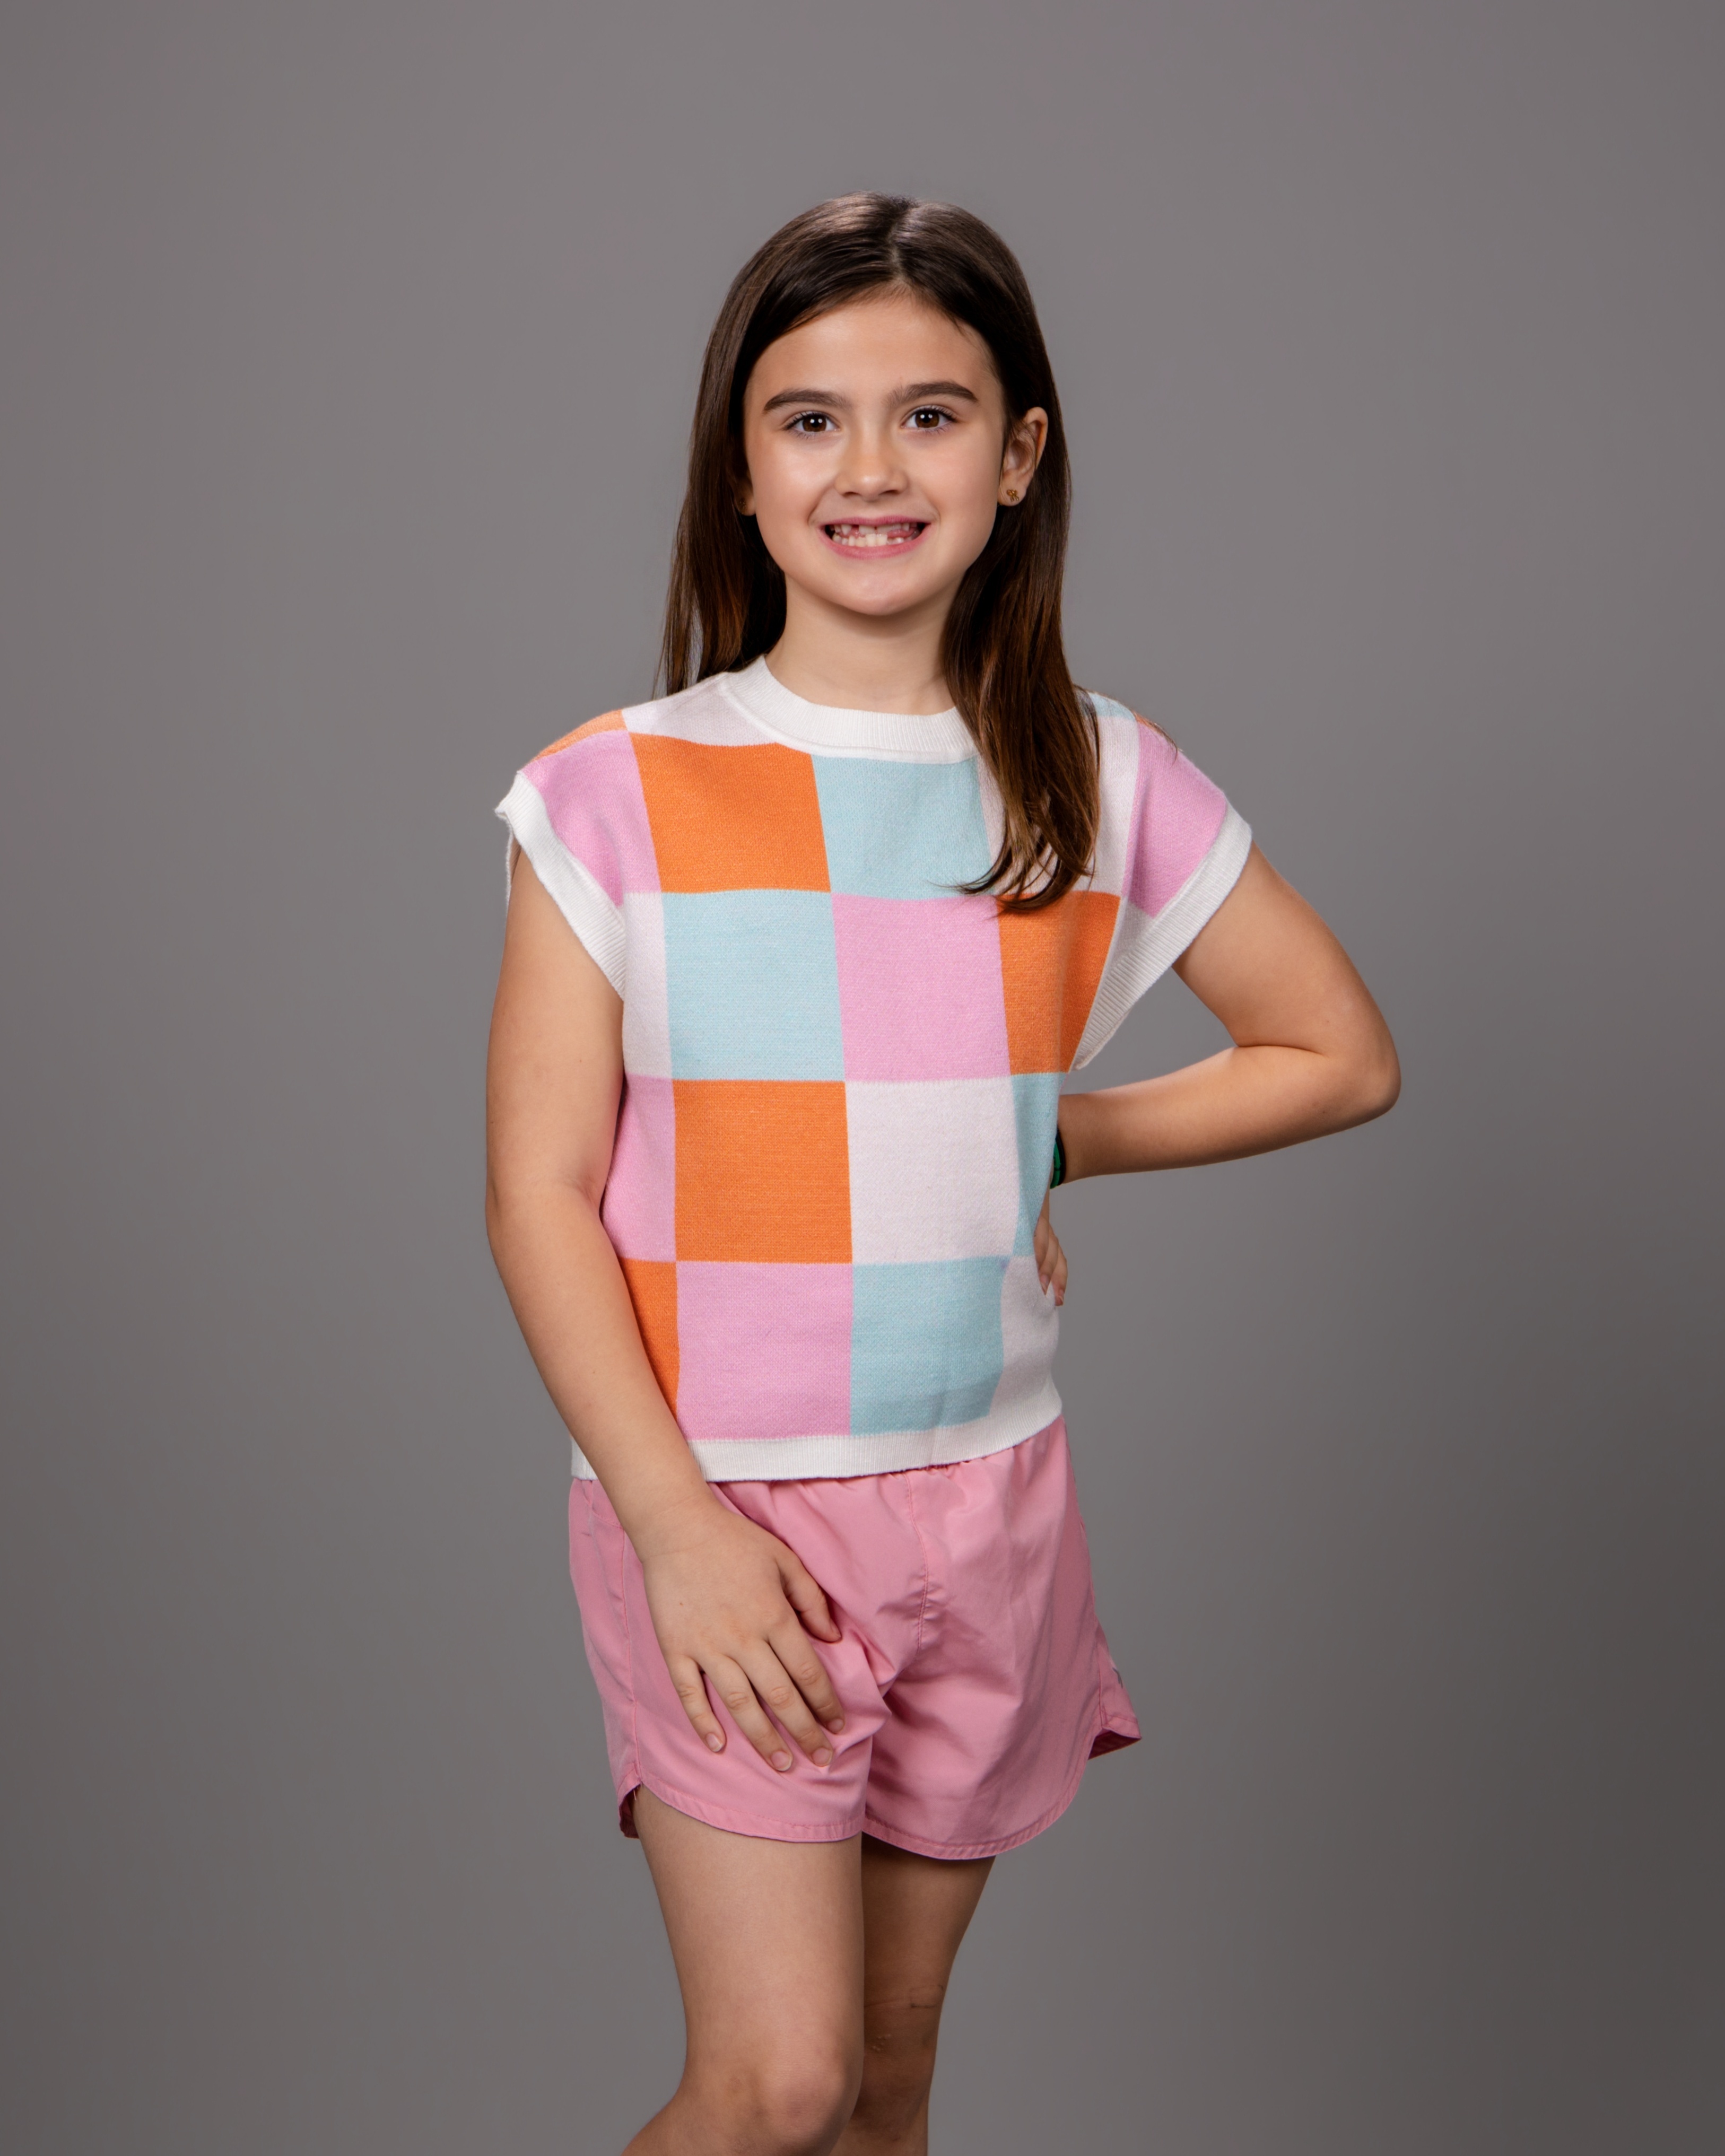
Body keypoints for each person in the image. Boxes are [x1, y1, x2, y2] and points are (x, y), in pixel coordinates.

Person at [485, 193, 1399, 2156]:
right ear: (739, 468)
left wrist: (1043, 1133)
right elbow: (537, 1193)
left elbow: (1338, 1052)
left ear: (1017, 454)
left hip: (988, 1498)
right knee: (779, 2081)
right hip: (721, 1505)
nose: (871, 468)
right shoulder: (612, 791)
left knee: (887, 2083)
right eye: (809, 419)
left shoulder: (1096, 771)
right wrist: (674, 1527)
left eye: (930, 414)